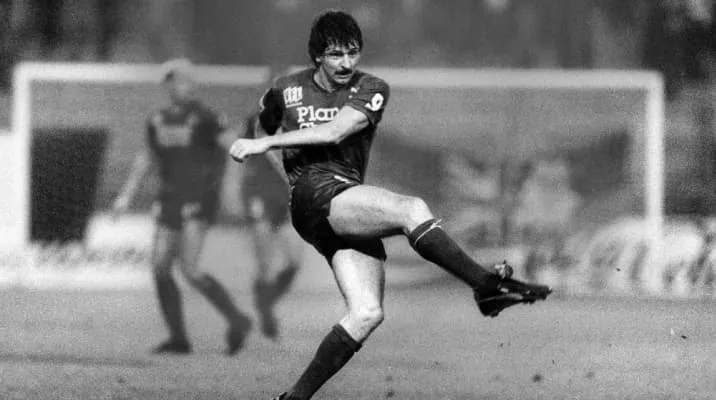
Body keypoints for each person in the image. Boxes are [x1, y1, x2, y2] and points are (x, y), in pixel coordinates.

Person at [229, 10, 552, 399]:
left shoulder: (371, 87)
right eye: (336, 54)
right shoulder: (285, 90)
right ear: (317, 55)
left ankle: (294, 398)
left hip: (343, 200)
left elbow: (336, 131)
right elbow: (259, 125)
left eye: (353, 52)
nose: (346, 63)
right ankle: (485, 285)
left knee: (366, 313)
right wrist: (287, 173)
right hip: (314, 193)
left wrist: (266, 144)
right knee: (411, 209)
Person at [113, 58, 252, 356]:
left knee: (189, 268)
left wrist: (231, 187)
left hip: (199, 199)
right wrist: (126, 194)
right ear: (168, 85)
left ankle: (237, 320)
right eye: (176, 81)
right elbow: (148, 158)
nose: (182, 86)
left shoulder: (206, 118)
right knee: (160, 268)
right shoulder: (157, 120)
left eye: (187, 80)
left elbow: (236, 147)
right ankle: (178, 338)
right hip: (168, 200)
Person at [240, 108, 303, 340]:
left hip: (286, 196)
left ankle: (264, 304)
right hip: (260, 195)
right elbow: (239, 153)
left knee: (294, 260)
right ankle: (267, 315)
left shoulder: (300, 118)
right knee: (265, 263)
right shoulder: (255, 119)